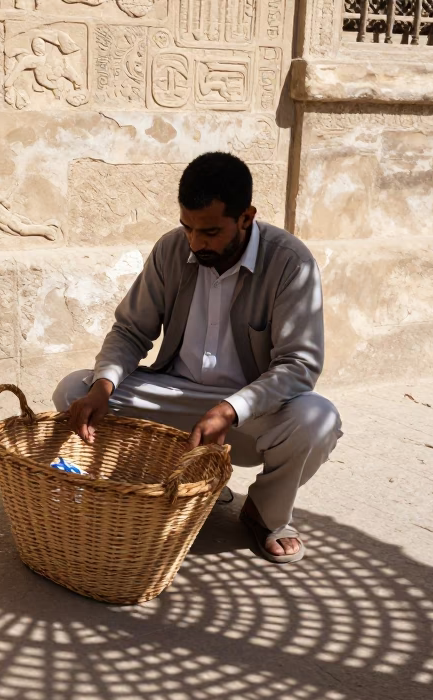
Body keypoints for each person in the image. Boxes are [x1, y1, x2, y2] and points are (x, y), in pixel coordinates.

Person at [54, 152, 341, 564]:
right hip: (173, 396)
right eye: (187, 228)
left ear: (246, 217)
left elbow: (299, 365)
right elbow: (131, 330)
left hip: (246, 412)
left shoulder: (291, 263)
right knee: (73, 391)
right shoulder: (172, 250)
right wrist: (104, 386)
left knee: (318, 418)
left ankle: (265, 512)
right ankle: (186, 479)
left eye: (209, 232)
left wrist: (230, 408)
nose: (195, 242)